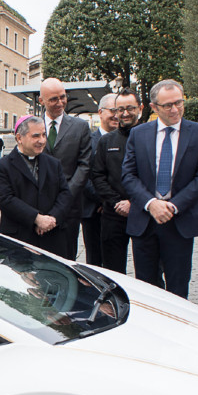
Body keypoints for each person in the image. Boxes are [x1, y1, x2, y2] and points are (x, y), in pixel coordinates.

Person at [121, 79, 198, 298]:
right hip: (145, 222)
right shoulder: (139, 134)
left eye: (179, 103)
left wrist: (172, 206)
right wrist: (151, 203)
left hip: (179, 221)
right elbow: (128, 175)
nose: (175, 109)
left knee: (178, 287)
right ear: (154, 107)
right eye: (168, 105)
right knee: (147, 289)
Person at [0, 115, 73, 257]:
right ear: (19, 138)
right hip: (19, 238)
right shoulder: (2, 167)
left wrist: (52, 219)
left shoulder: (53, 163)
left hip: (52, 237)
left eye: (43, 135)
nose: (41, 141)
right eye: (35, 136)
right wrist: (37, 218)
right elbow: (6, 200)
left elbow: (65, 193)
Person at [39, 78, 92, 260]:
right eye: (53, 99)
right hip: (39, 207)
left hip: (69, 207)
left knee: (67, 259)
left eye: (63, 97)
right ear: (41, 101)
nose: (60, 103)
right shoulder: (31, 126)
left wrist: (65, 195)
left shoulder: (80, 127)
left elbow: (85, 165)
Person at [90, 91, 142, 274]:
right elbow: (97, 175)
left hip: (144, 213)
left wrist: (134, 203)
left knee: (148, 273)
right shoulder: (106, 141)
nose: (125, 113)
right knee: (112, 273)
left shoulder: (150, 138)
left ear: (140, 108)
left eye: (130, 108)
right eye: (120, 109)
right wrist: (116, 202)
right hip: (113, 214)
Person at [79, 93, 118, 266]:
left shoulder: (128, 140)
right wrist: (105, 199)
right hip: (93, 211)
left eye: (120, 110)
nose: (117, 115)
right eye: (113, 110)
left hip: (118, 211)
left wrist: (114, 201)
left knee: (115, 261)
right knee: (94, 261)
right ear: (100, 112)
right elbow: (83, 174)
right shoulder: (87, 141)